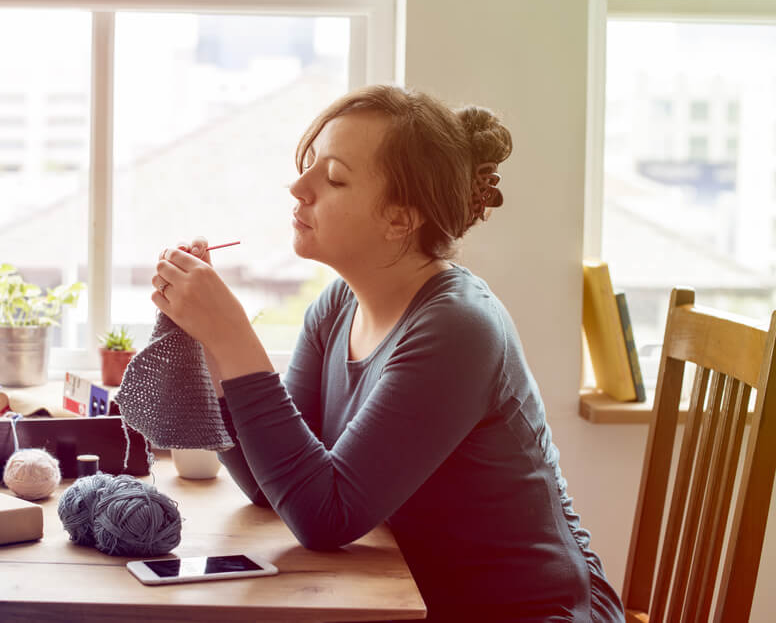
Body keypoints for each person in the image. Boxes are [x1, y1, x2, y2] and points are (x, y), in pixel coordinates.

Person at [150, 84, 625, 622]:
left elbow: (324, 519)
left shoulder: (457, 327)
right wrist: (213, 342)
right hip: (417, 602)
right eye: (307, 166)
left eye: (332, 178)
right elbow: (270, 487)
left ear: (400, 220)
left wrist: (234, 336)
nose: (298, 187)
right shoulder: (337, 307)